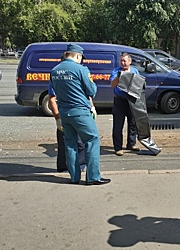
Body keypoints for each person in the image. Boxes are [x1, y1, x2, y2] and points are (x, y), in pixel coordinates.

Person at [50, 43, 110, 185]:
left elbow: (55, 93)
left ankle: (74, 177)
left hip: (64, 112)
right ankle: (93, 177)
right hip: (80, 112)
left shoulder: (54, 70)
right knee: (92, 140)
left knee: (70, 145)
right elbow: (92, 91)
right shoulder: (81, 69)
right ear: (77, 55)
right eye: (81, 57)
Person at [47, 78, 86, 173]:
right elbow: (52, 98)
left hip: (79, 114)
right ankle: (64, 168)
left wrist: (92, 107)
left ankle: (80, 166)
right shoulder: (57, 76)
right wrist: (57, 118)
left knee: (81, 142)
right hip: (64, 115)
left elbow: (88, 94)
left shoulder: (80, 74)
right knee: (64, 143)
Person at [109, 52, 141, 156]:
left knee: (132, 123)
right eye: (121, 61)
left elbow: (139, 83)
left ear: (130, 62)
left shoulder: (135, 70)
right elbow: (112, 85)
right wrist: (119, 77)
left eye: (125, 61)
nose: (123, 63)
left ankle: (131, 144)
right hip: (120, 101)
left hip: (131, 100)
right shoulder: (116, 71)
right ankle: (118, 148)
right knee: (118, 125)